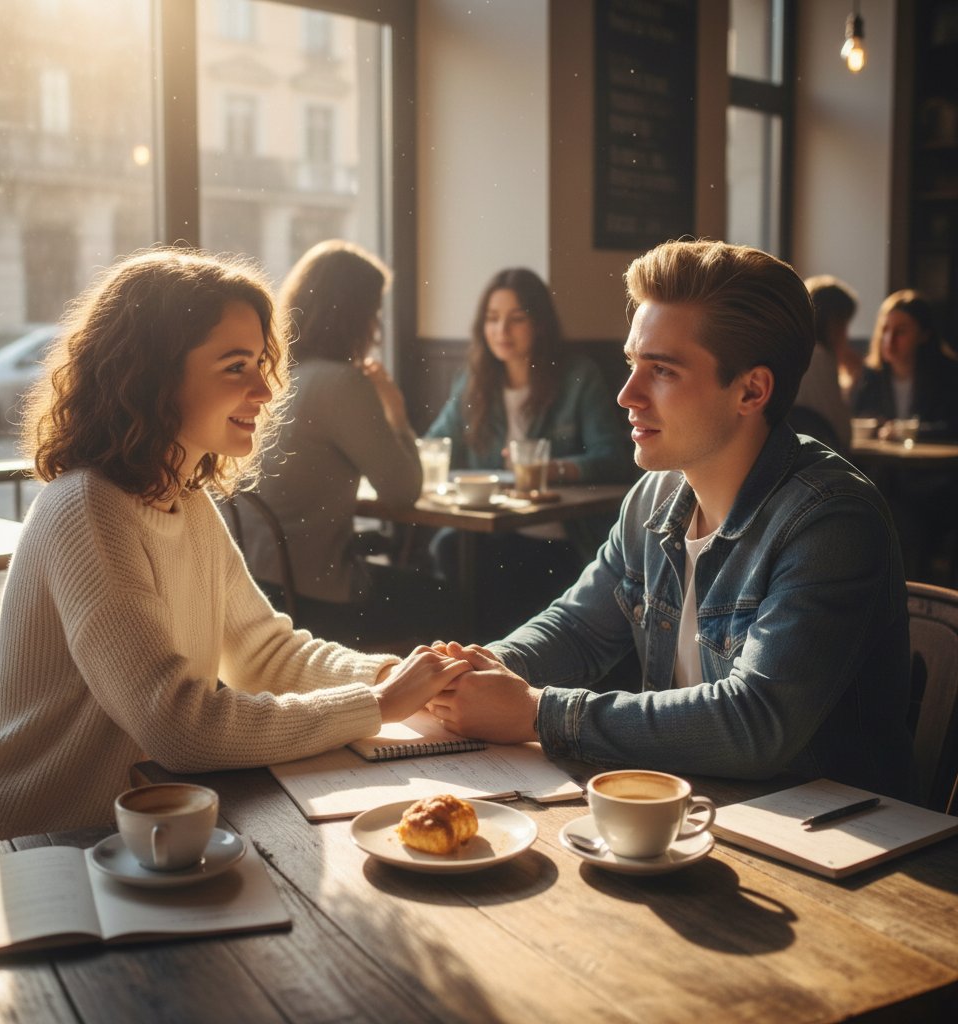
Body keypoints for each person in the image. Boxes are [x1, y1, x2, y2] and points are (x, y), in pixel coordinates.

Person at [0, 247, 469, 846]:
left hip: (123, 842)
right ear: (154, 375)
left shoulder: (185, 502)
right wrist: (376, 704)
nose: (265, 391)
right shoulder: (87, 508)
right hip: (17, 849)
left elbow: (264, 653)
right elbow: (177, 727)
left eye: (262, 364)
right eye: (236, 367)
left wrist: (399, 676)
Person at [426, 239, 913, 798]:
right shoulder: (655, 494)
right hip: (694, 809)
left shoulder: (831, 520)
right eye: (634, 363)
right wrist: (478, 668)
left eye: (662, 371)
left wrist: (536, 712)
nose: (626, 394)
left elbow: (755, 723)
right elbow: (579, 629)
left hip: (831, 843)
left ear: (751, 390)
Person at [237, 239, 446, 646]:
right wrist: (397, 413)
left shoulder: (276, 379)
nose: (377, 328)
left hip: (254, 586)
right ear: (356, 316)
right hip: (313, 597)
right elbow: (404, 491)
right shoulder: (342, 383)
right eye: (374, 314)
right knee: (445, 598)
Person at [424, 267, 635, 638]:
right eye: (492, 319)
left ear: (538, 323)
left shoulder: (576, 377)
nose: (501, 331)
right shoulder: (473, 382)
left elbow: (614, 459)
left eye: (515, 319)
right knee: (449, 547)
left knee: (491, 573)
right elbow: (436, 445)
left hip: (561, 537)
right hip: (494, 532)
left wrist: (555, 469)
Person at [851, 289, 958, 442]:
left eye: (900, 331)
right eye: (885, 329)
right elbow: (857, 419)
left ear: (924, 335)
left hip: (931, 463)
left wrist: (907, 432)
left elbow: (952, 427)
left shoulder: (948, 375)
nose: (889, 339)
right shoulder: (869, 376)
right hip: (881, 463)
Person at [790, 275, 858, 451]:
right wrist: (852, 380)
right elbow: (842, 435)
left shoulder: (787, 352)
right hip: (813, 465)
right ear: (834, 323)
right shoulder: (819, 357)